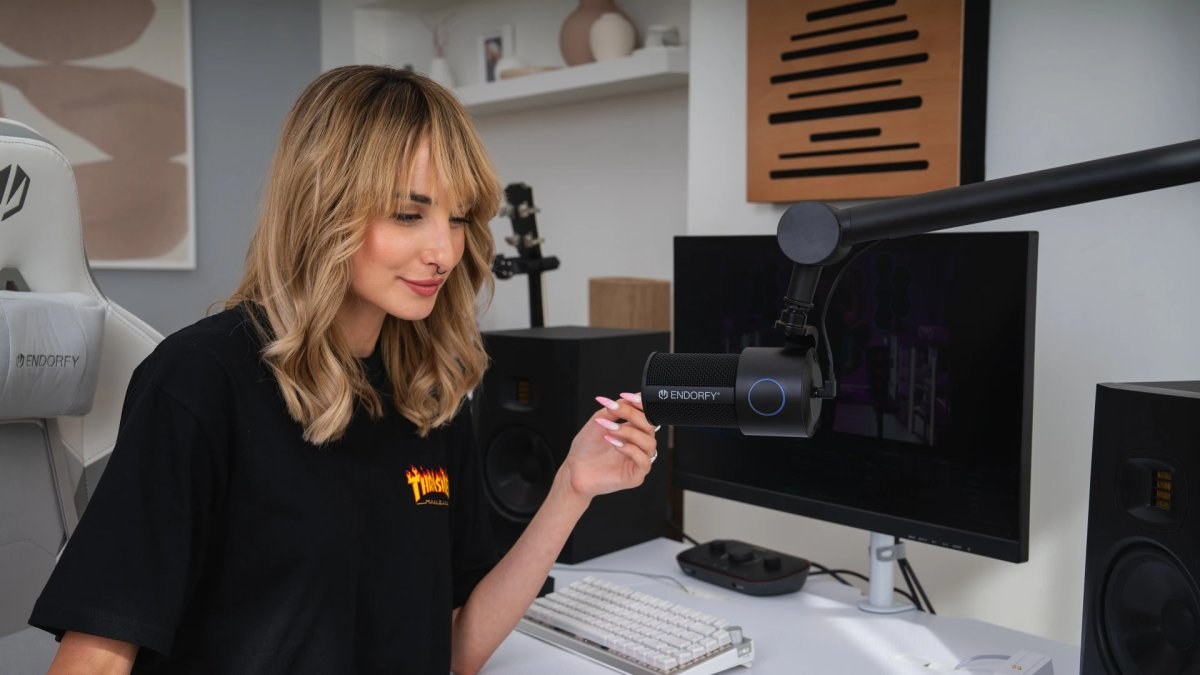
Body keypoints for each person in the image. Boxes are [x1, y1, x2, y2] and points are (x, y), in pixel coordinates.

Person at [29, 65, 658, 675]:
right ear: (323, 208)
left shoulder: (429, 395)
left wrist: (571, 488)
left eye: (459, 216)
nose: (443, 251)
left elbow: (455, 650)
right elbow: (96, 659)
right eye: (408, 214)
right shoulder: (199, 380)